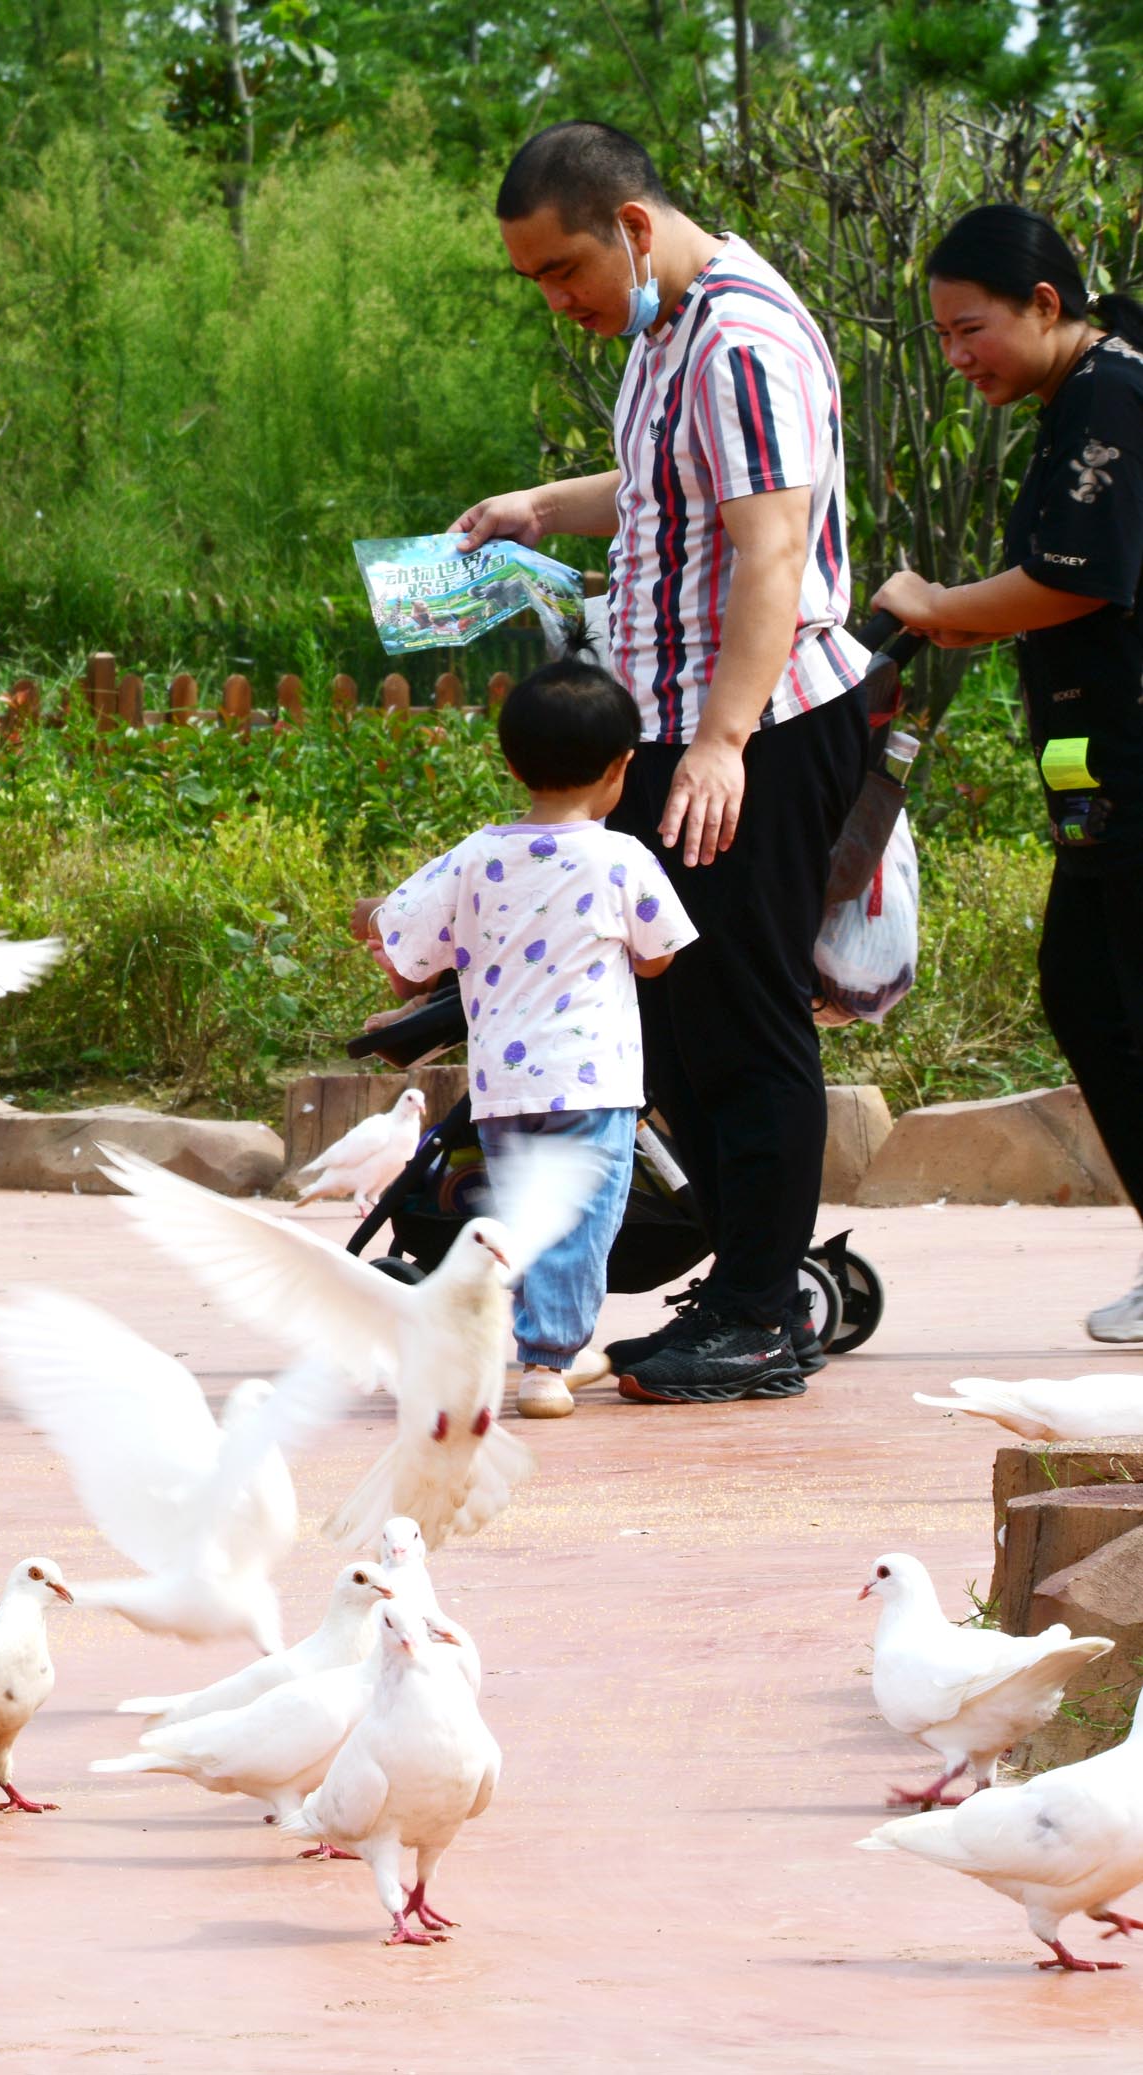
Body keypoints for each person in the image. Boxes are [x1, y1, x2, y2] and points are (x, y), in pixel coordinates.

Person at [455, 119, 873, 1403]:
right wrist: (541, 506)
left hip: (755, 729)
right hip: (678, 725)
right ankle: (743, 1286)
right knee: (682, 1030)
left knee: (742, 1020)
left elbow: (772, 548)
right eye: (534, 279)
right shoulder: (664, 331)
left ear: (631, 227)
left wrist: (725, 740)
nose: (557, 299)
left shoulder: (739, 335)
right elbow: (660, 489)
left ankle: (760, 1315)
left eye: (563, 269)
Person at [868, 205, 1143, 1341]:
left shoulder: (1110, 392)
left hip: (1134, 765)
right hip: (1100, 770)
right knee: (1087, 989)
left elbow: (1079, 576)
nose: (955, 356)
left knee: (1106, 993)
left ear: (1044, 303)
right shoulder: (1082, 396)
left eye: (968, 327)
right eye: (940, 335)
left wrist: (940, 603)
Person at [359, 658, 698, 1418]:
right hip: (593, 1084)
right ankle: (546, 1363)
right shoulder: (622, 858)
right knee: (580, 1224)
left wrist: (387, 941)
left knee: (523, 1220)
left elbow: (407, 945)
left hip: (504, 1091)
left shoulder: (475, 855)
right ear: (621, 768)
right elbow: (659, 956)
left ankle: (504, 1343)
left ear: (512, 765)